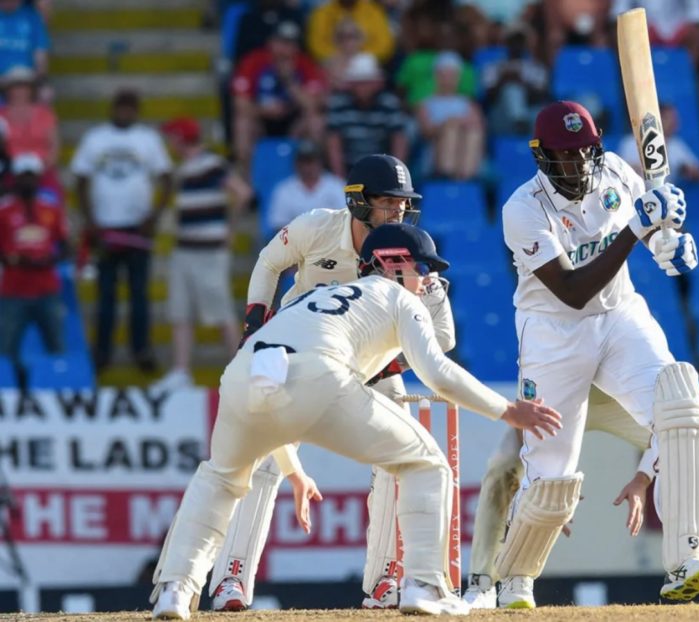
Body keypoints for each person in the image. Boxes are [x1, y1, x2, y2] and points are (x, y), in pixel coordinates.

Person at [149, 222, 563, 620]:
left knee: (219, 480)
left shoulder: (309, 299)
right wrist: (508, 410)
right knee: (426, 464)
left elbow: (271, 386)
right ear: (393, 264)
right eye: (421, 269)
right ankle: (424, 585)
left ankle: (175, 590)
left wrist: (293, 471)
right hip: (319, 376)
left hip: (244, 373)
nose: (426, 282)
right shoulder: (396, 296)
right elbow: (437, 372)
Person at [488, 100, 699, 608]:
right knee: (551, 478)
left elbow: (653, 226)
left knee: (681, 407)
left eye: (583, 153)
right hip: (554, 331)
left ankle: (689, 558)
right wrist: (636, 231)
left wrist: (670, 245)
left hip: (620, 315)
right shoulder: (523, 209)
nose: (576, 166)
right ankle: (513, 581)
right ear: (541, 156)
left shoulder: (618, 171)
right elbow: (571, 290)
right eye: (564, 157)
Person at [208, 154, 452, 612]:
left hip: (373, 366)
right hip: (299, 357)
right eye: (386, 204)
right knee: (261, 460)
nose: (396, 214)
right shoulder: (317, 227)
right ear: (358, 203)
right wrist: (255, 322)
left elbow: (441, 343)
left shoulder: (407, 246)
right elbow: (267, 262)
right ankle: (231, 580)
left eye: (402, 205)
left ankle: (384, 581)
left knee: (399, 460)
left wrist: (433, 296)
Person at [461, 387, 699, 607]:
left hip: (620, 399)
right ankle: (482, 583)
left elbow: (669, 431)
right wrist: (544, 487)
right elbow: (530, 422)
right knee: (502, 466)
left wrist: (642, 478)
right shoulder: (541, 319)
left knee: (696, 462)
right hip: (562, 395)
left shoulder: (627, 319)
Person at [70, 89, 173, 373]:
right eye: (121, 107)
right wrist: (90, 221)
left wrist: (153, 217)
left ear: (137, 111)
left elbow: (166, 178)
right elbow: (80, 179)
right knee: (106, 295)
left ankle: (141, 350)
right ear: (112, 109)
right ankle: (102, 352)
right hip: (105, 229)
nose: (125, 113)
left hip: (138, 228)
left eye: (130, 108)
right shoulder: (96, 138)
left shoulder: (148, 139)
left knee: (139, 294)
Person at [152, 117, 252, 392]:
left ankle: (240, 367)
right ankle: (181, 371)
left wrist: (229, 228)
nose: (169, 143)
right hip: (184, 248)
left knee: (219, 309)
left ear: (181, 139)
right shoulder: (183, 169)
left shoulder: (212, 164)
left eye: (172, 137)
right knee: (180, 309)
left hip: (209, 249)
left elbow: (242, 193)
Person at [0, 153, 67, 384]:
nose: (27, 182)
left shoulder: (50, 209)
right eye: (23, 177)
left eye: (32, 177)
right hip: (13, 289)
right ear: (15, 178)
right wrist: (12, 259)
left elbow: (65, 244)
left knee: (56, 346)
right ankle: (11, 391)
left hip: (46, 287)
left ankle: (57, 391)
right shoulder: (4, 210)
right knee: (5, 350)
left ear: (38, 178)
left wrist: (50, 258)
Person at [231, 21, 326, 175]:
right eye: (282, 43)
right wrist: (262, 110)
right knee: (242, 123)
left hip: (292, 123)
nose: (285, 50)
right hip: (262, 121)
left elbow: (312, 105)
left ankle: (314, 173)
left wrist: (289, 81)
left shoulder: (305, 64)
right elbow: (240, 103)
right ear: (271, 43)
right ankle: (247, 178)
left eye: (290, 44)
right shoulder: (254, 61)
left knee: (316, 122)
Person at [324, 52, 408, 179]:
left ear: (377, 83)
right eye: (359, 82)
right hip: (350, 166)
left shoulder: (389, 103)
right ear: (351, 84)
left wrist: (395, 174)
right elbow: (334, 142)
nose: (363, 87)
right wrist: (339, 177)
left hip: (382, 166)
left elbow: (399, 139)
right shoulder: (339, 103)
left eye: (367, 82)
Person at [414, 51, 485, 180]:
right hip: (434, 153)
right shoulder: (426, 104)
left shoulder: (468, 104)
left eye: (452, 75)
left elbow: (478, 127)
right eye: (444, 74)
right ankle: (447, 171)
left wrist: (458, 123)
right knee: (450, 130)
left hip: (464, 152)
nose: (448, 79)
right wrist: (447, 124)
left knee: (472, 133)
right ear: (436, 76)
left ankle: (463, 175)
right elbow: (426, 132)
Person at [481, 21, 548, 136]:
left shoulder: (536, 68)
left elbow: (541, 96)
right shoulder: (494, 67)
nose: (516, 44)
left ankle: (521, 122)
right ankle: (519, 121)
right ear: (506, 42)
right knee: (511, 89)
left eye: (520, 40)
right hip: (501, 118)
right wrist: (503, 81)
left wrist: (521, 83)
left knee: (540, 113)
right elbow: (489, 99)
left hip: (529, 114)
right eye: (513, 40)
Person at [617, 101, 699, 184]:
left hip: (664, 196)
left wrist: (687, 170)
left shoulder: (676, 145)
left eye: (675, 118)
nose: (673, 122)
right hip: (636, 194)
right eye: (669, 118)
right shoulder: (630, 142)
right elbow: (620, 172)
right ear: (657, 119)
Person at [267, 140, 347, 231]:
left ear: (320, 163)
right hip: (296, 242)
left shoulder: (337, 185)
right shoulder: (283, 189)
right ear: (296, 164)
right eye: (303, 162)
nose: (306, 167)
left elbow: (346, 220)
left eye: (311, 162)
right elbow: (278, 225)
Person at [306, 0, 395, 65]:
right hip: (332, 67)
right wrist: (338, 57)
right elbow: (316, 45)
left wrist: (359, 58)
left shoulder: (374, 11)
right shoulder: (321, 13)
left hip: (367, 69)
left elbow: (384, 46)